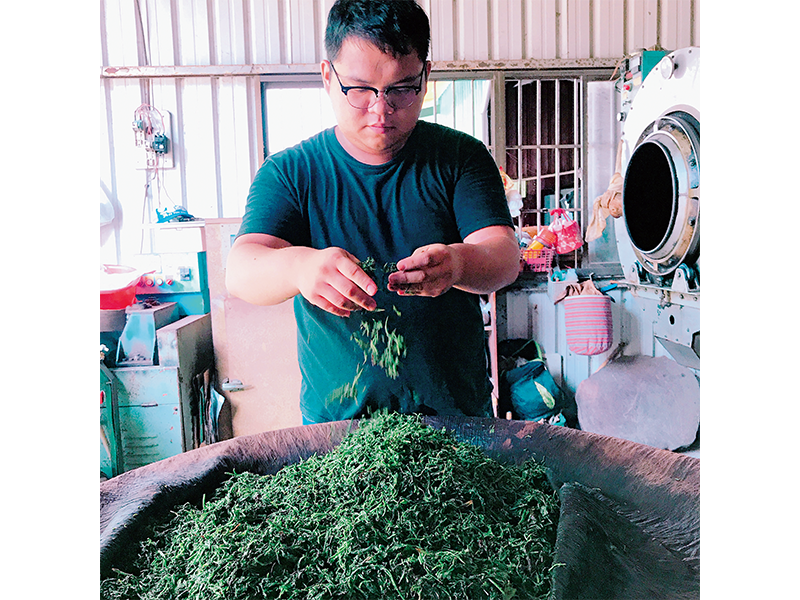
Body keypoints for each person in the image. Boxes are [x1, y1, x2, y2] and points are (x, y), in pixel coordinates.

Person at [226, 0, 520, 424]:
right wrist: (299, 267)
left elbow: (504, 258)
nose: (381, 109)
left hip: (457, 421)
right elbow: (241, 269)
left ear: (425, 76)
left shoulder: (461, 158)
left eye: (401, 88)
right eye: (359, 89)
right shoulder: (291, 173)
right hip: (340, 432)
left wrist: (458, 263)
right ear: (328, 77)